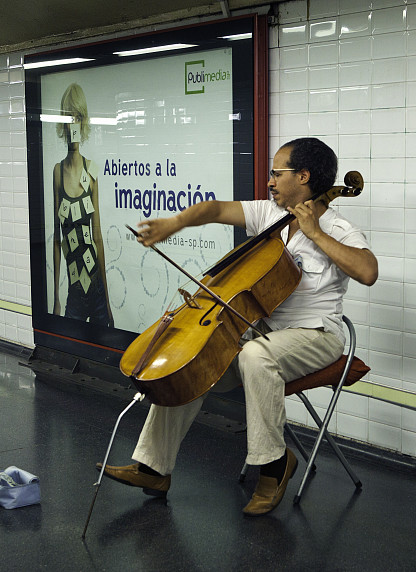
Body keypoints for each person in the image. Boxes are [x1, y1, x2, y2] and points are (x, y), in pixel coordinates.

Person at [100, 137, 378, 515]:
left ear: (304, 176)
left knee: (253, 355)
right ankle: (153, 468)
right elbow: (214, 209)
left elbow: (367, 271)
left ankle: (274, 465)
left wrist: (316, 233)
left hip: (317, 336)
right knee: (194, 360)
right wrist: (173, 223)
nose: (270, 182)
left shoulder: (337, 226)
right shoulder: (269, 215)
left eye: (276, 174)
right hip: (266, 335)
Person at [52, 83, 113, 327]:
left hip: (96, 290)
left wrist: (107, 302)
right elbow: (57, 238)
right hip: (74, 294)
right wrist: (55, 298)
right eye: (68, 117)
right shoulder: (57, 172)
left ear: (83, 121)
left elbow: (97, 237)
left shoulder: (92, 171)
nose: (73, 123)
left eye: (77, 116)